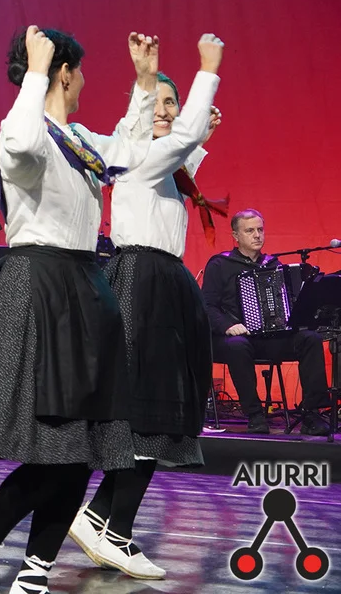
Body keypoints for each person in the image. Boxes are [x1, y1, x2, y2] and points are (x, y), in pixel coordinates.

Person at [0, 27, 159, 594]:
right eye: (79, 71)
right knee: (54, 446)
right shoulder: (26, 134)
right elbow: (19, 144)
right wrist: (35, 73)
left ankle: (33, 573)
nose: (84, 81)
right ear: (65, 73)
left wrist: (144, 84)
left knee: (84, 449)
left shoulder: (79, 138)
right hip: (42, 288)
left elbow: (130, 151)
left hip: (83, 286)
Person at [68, 34, 224, 580]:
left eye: (171, 103)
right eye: (156, 102)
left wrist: (199, 136)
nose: (165, 110)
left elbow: (179, 156)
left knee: (155, 415)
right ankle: (115, 530)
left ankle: (100, 518)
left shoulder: (166, 169)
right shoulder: (135, 155)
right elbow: (167, 147)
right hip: (143, 284)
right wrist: (207, 71)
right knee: (146, 413)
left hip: (162, 284)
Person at [202, 209, 330, 435]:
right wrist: (227, 326)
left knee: (310, 339)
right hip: (232, 339)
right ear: (235, 236)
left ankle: (312, 414)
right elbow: (207, 306)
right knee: (238, 346)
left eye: (260, 230)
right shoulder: (220, 264)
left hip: (270, 338)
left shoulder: (273, 264)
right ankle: (255, 415)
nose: (257, 235)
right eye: (250, 231)